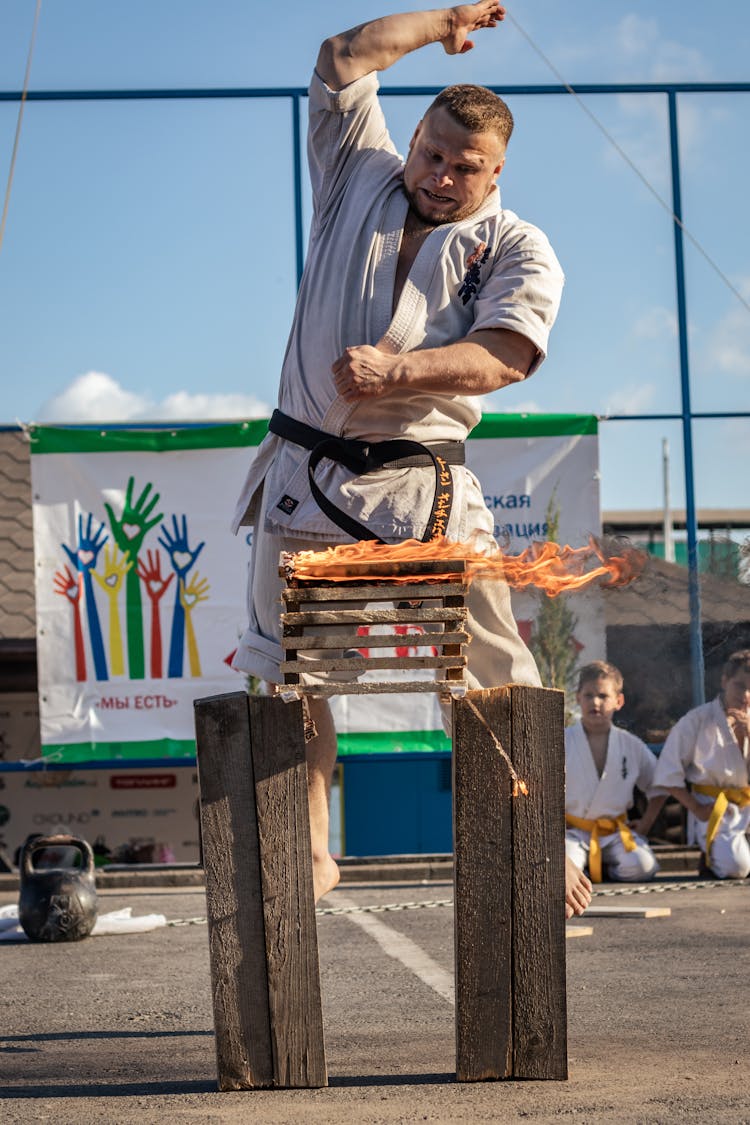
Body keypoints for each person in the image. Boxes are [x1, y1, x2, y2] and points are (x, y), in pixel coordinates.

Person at [231, 1, 591, 918]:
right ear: (415, 138)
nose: (438, 175)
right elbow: (342, 55)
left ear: (497, 171)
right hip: (306, 476)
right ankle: (309, 844)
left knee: (489, 670)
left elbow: (506, 353)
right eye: (431, 153)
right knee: (280, 675)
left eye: (463, 167)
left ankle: (535, 832)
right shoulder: (358, 172)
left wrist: (400, 369)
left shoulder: (518, 245)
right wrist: (443, 22)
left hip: (421, 483)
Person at [653, 649, 750, 879]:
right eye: (740, 686)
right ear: (724, 681)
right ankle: (711, 855)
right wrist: (696, 808)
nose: (746, 695)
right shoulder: (696, 720)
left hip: (746, 803)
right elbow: (667, 773)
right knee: (736, 868)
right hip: (714, 806)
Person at [565, 661, 666, 883]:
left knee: (643, 866)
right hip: (573, 831)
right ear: (577, 698)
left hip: (614, 832)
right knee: (561, 870)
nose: (595, 702)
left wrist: (646, 824)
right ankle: (586, 869)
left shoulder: (631, 745)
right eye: (589, 695)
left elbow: (659, 786)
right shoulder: (561, 741)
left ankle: (603, 869)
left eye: (603, 696)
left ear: (618, 701)